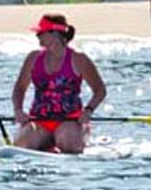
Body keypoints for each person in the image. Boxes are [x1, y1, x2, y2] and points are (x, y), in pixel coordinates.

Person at [11, 14, 106, 154]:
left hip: (71, 120)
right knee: (23, 144)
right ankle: (47, 143)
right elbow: (19, 88)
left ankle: (64, 141)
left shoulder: (79, 59)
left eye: (41, 33)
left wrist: (89, 110)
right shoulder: (33, 58)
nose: (38, 36)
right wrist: (18, 110)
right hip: (39, 120)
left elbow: (100, 90)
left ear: (55, 33)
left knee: (68, 144)